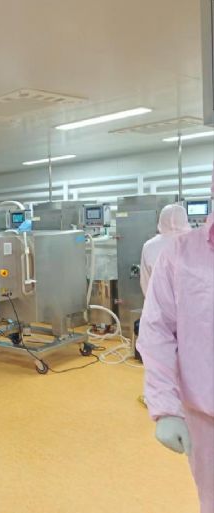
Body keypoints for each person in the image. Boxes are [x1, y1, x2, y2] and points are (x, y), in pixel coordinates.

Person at [136, 173, 214, 513]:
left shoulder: (154, 247)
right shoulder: (181, 254)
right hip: (207, 412)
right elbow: (156, 331)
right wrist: (166, 407)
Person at [140, 203, 190, 296]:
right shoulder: (198, 243)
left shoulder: (149, 246)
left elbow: (145, 282)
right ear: (185, 220)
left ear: (161, 220)